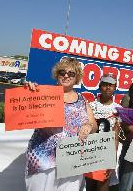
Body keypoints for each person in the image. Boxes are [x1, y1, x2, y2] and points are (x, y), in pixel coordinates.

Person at [25, 57, 97, 191]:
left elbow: (94, 124)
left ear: (77, 78)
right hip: (44, 159)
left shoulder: (83, 101)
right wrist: (29, 92)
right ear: (56, 75)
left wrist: (88, 126)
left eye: (71, 73)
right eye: (62, 72)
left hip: (73, 158)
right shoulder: (41, 93)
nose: (66, 75)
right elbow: (24, 111)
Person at [85, 75, 121, 191]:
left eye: (111, 85)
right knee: (89, 185)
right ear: (100, 87)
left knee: (103, 185)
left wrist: (113, 155)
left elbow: (116, 134)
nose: (107, 88)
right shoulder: (90, 106)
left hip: (107, 153)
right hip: (90, 151)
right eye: (105, 85)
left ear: (115, 88)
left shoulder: (118, 109)